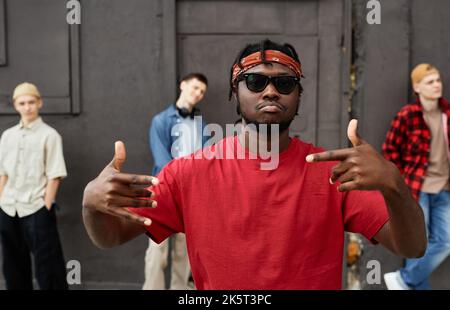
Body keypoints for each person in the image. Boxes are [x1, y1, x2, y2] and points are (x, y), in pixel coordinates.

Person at [82, 39, 427, 289]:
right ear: (236, 92)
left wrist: (394, 184)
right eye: (256, 81)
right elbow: (110, 237)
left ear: (298, 95)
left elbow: (412, 247)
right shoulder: (188, 173)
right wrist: (90, 205)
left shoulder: (332, 172)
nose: (271, 91)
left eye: (285, 82)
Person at [383, 64, 450, 290]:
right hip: (416, 187)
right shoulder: (407, 115)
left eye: (438, 80)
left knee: (446, 241)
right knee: (417, 243)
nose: (437, 85)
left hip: (444, 188)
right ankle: (409, 283)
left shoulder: (447, 115)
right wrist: (400, 183)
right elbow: (390, 151)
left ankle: (402, 280)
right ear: (417, 87)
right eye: (430, 81)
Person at [0, 82, 68, 290]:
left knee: (49, 266)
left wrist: (46, 205)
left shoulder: (50, 135)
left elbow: (55, 175)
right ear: (15, 105)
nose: (27, 106)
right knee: (13, 266)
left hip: (37, 208)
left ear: (39, 103)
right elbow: (2, 172)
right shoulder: (7, 136)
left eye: (31, 102)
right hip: (9, 207)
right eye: (22, 102)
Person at [144, 73, 208, 290]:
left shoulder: (202, 125)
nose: (198, 93)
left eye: (201, 91)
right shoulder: (160, 121)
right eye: (195, 87)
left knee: (184, 255)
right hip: (162, 194)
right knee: (156, 253)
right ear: (183, 85)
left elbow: (206, 159)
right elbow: (162, 161)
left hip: (191, 197)